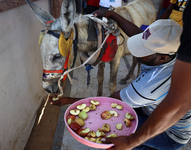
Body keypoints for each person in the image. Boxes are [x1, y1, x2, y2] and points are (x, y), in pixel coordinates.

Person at [50, 7, 191, 149]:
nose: (136, 52)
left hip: (170, 134)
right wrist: (113, 14)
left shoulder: (146, 87)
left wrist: (69, 100)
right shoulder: (174, 49)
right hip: (151, 109)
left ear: (162, 58)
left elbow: (110, 103)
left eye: (144, 50)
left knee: (118, 135)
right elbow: (140, 34)